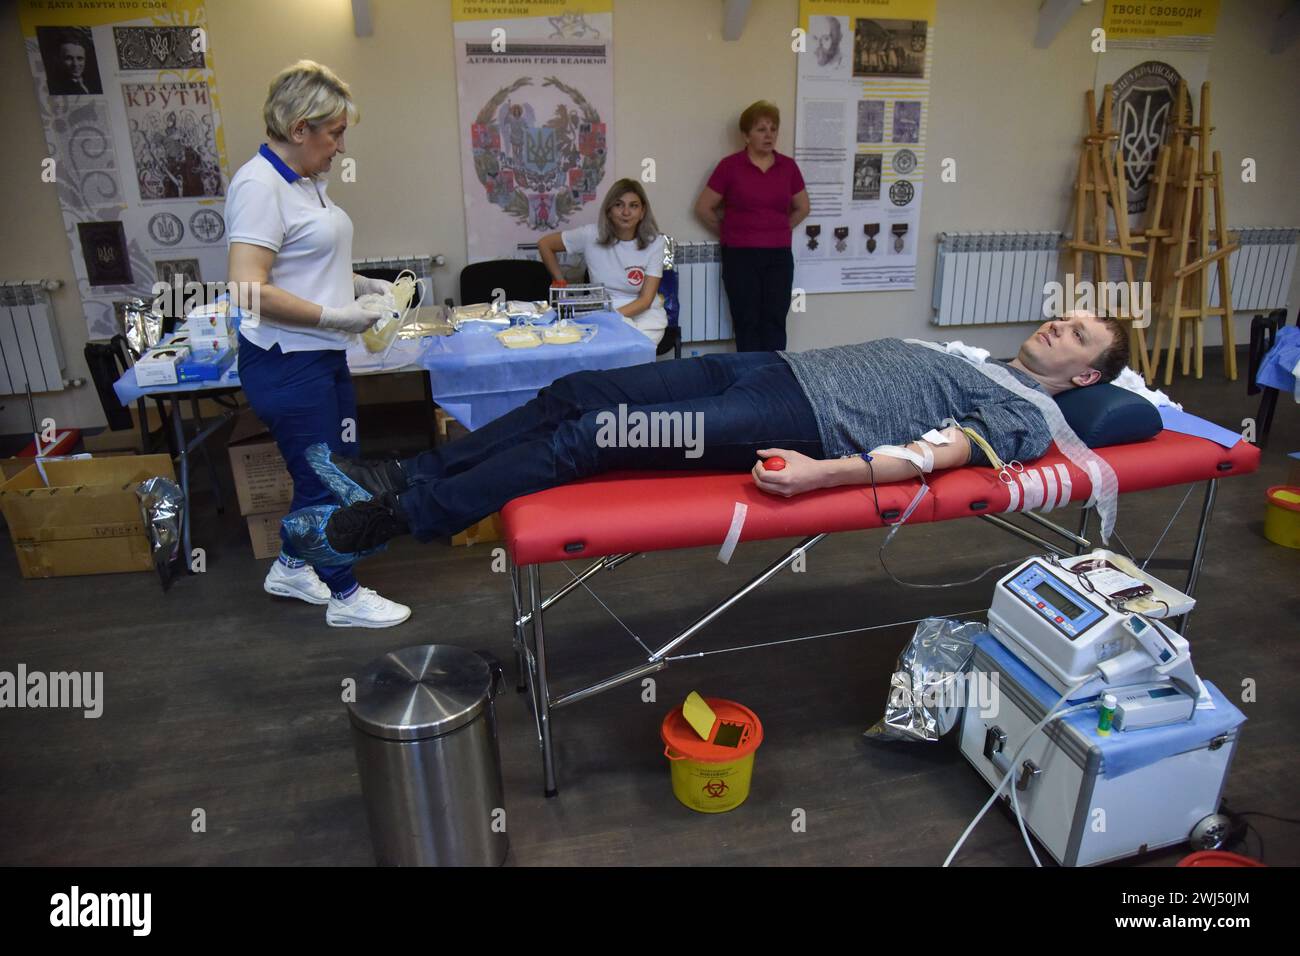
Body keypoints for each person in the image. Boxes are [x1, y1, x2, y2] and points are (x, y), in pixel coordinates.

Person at [282, 313, 1131, 565]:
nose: (1063, 325)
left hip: (795, 421)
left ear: (1087, 377)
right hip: (768, 366)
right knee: (576, 389)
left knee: (594, 436)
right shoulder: (967, 351)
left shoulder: (1028, 413)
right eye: (1068, 316)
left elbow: (934, 457)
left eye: (1080, 335)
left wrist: (822, 474)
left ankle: (406, 514)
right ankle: (404, 470)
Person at [225, 59, 409, 628]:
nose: (341, 147)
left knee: (328, 470)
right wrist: (336, 315)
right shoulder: (259, 186)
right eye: (334, 133)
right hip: (287, 361)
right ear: (300, 127)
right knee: (325, 478)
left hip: (318, 355)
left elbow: (306, 265)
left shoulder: (303, 183)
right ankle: (346, 596)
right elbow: (247, 288)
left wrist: (365, 285)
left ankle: (287, 565)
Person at [695, 101, 810, 352]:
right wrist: (731, 231)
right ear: (746, 135)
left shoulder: (788, 167)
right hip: (740, 256)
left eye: (773, 129)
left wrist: (779, 229)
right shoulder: (730, 166)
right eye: (761, 129)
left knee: (775, 320)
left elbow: (803, 207)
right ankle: (750, 381)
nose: (769, 135)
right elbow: (704, 208)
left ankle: (774, 379)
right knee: (747, 321)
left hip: (778, 256)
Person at [537, 178, 667, 345]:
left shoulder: (656, 242)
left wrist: (611, 316)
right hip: (603, 313)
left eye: (633, 206)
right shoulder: (590, 235)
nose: (626, 212)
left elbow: (645, 300)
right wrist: (559, 280)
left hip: (645, 317)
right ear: (608, 211)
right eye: (619, 205)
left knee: (629, 352)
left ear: (642, 212)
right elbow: (545, 244)